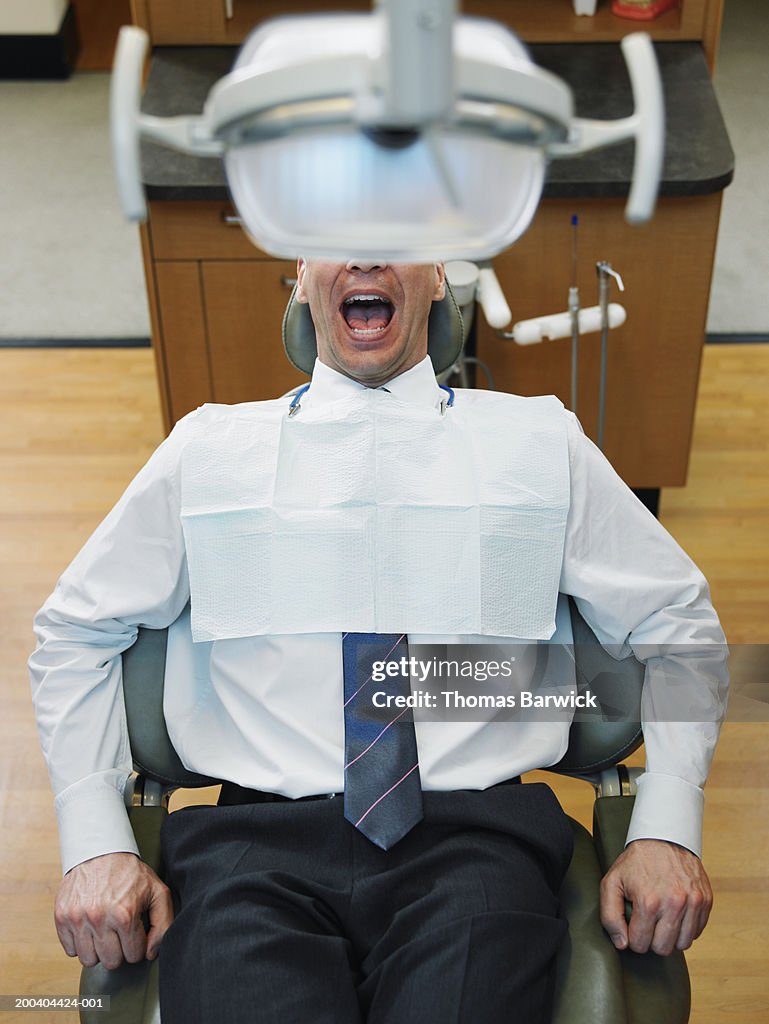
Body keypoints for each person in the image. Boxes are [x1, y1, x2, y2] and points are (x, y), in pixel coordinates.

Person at [30, 259, 727, 1023]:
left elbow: (677, 623)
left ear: (436, 277)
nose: (364, 254)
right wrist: (98, 838)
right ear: (300, 277)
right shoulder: (208, 449)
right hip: (250, 849)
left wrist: (666, 822)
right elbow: (75, 629)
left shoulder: (537, 441)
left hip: (475, 844)